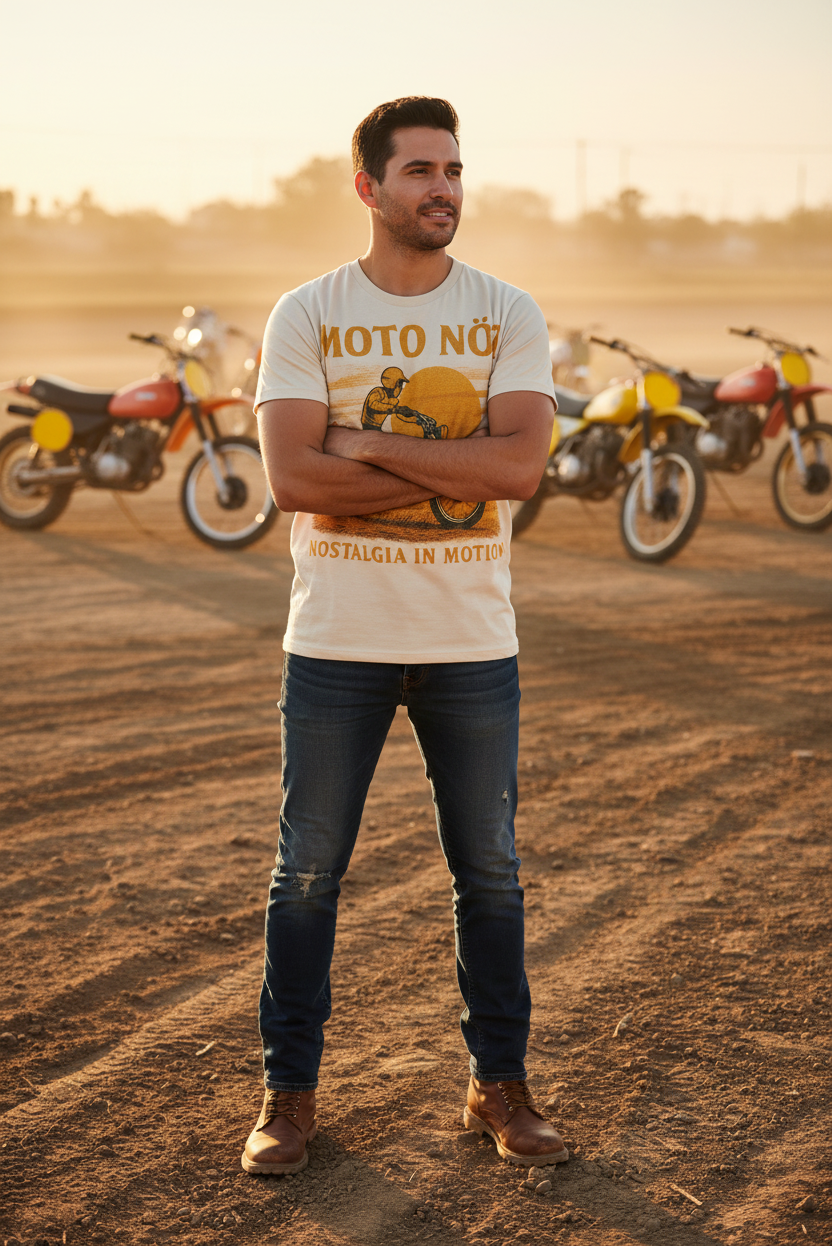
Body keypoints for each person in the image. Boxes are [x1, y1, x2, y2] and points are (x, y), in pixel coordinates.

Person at [244, 95, 565, 1177]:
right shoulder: (309, 313)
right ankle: (288, 1097)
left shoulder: (506, 312)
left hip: (470, 641)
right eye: (421, 170)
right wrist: (451, 468)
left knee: (491, 875)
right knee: (306, 875)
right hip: (335, 641)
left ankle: (498, 1086)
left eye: (454, 169)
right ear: (368, 187)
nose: (444, 189)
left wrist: (365, 443)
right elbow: (295, 480)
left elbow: (518, 469)